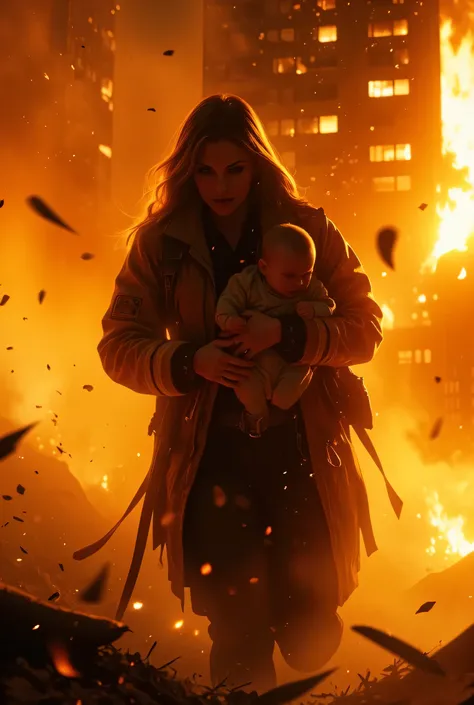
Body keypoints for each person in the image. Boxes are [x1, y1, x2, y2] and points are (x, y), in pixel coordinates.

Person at [73, 94, 384, 693]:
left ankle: (308, 624)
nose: (220, 184)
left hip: (303, 454)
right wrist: (190, 361)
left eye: (234, 168)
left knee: (310, 631)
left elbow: (365, 326)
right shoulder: (159, 243)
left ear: (256, 164)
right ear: (188, 169)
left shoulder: (310, 227)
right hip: (208, 459)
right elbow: (119, 345)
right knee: (238, 632)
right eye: (206, 170)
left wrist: (290, 334)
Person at [215, 223, 335, 436]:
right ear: (263, 267)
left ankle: (280, 411)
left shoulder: (311, 288)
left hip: (292, 364)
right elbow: (226, 304)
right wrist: (229, 320)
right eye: (289, 276)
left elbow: (329, 306)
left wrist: (314, 308)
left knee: (287, 395)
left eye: (306, 274)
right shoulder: (246, 283)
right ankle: (257, 418)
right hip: (253, 364)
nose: (300, 282)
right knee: (245, 387)